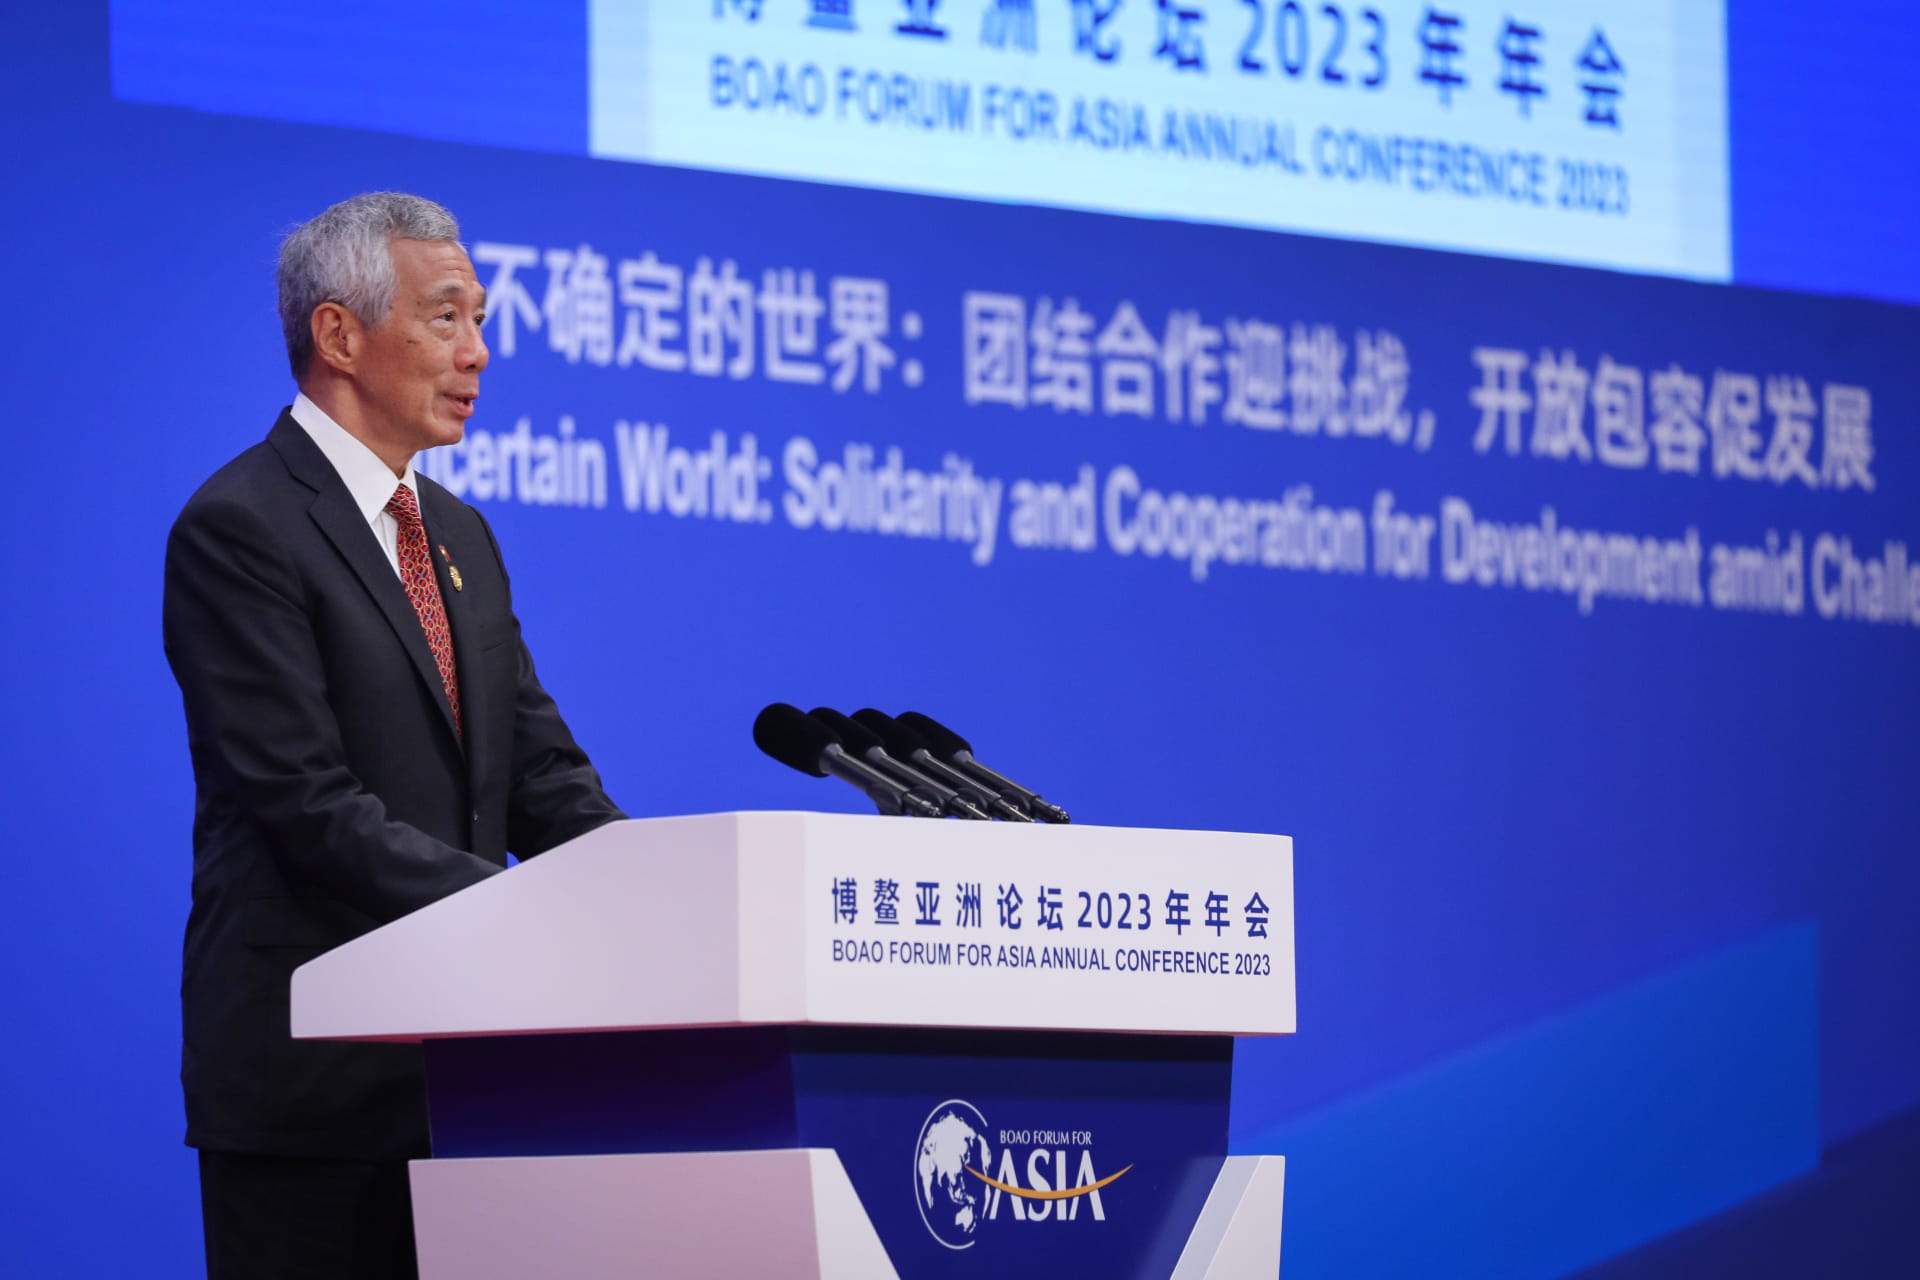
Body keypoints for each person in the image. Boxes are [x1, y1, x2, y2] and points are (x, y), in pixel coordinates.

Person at [163, 192, 625, 1279]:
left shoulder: (458, 532)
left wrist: (645, 886)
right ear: (338, 334)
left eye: (480, 320)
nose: (480, 351)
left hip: (476, 1085)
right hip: (313, 1090)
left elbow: (542, 772)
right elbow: (306, 803)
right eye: (447, 318)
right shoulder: (240, 526)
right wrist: (521, 912)